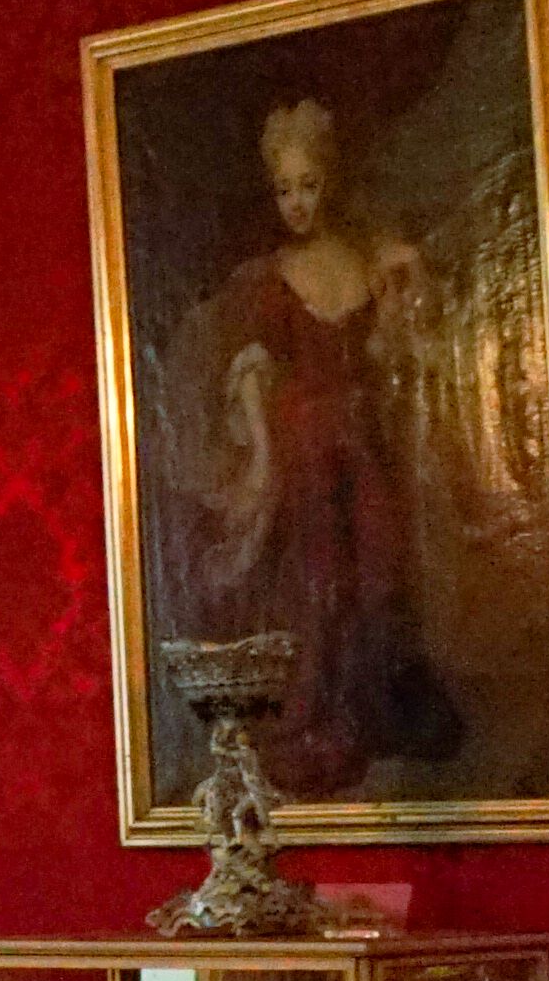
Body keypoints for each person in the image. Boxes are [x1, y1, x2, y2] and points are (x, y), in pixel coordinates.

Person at [156, 94, 463, 791]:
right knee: (315, 577)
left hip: (363, 448)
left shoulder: (360, 263)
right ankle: (313, 718)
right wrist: (264, 449)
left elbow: (385, 356)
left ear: (330, 182)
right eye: (284, 190)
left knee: (376, 568)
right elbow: (249, 375)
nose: (296, 204)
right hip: (302, 462)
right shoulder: (266, 281)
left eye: (308, 186)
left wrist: (399, 296)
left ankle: (371, 709)